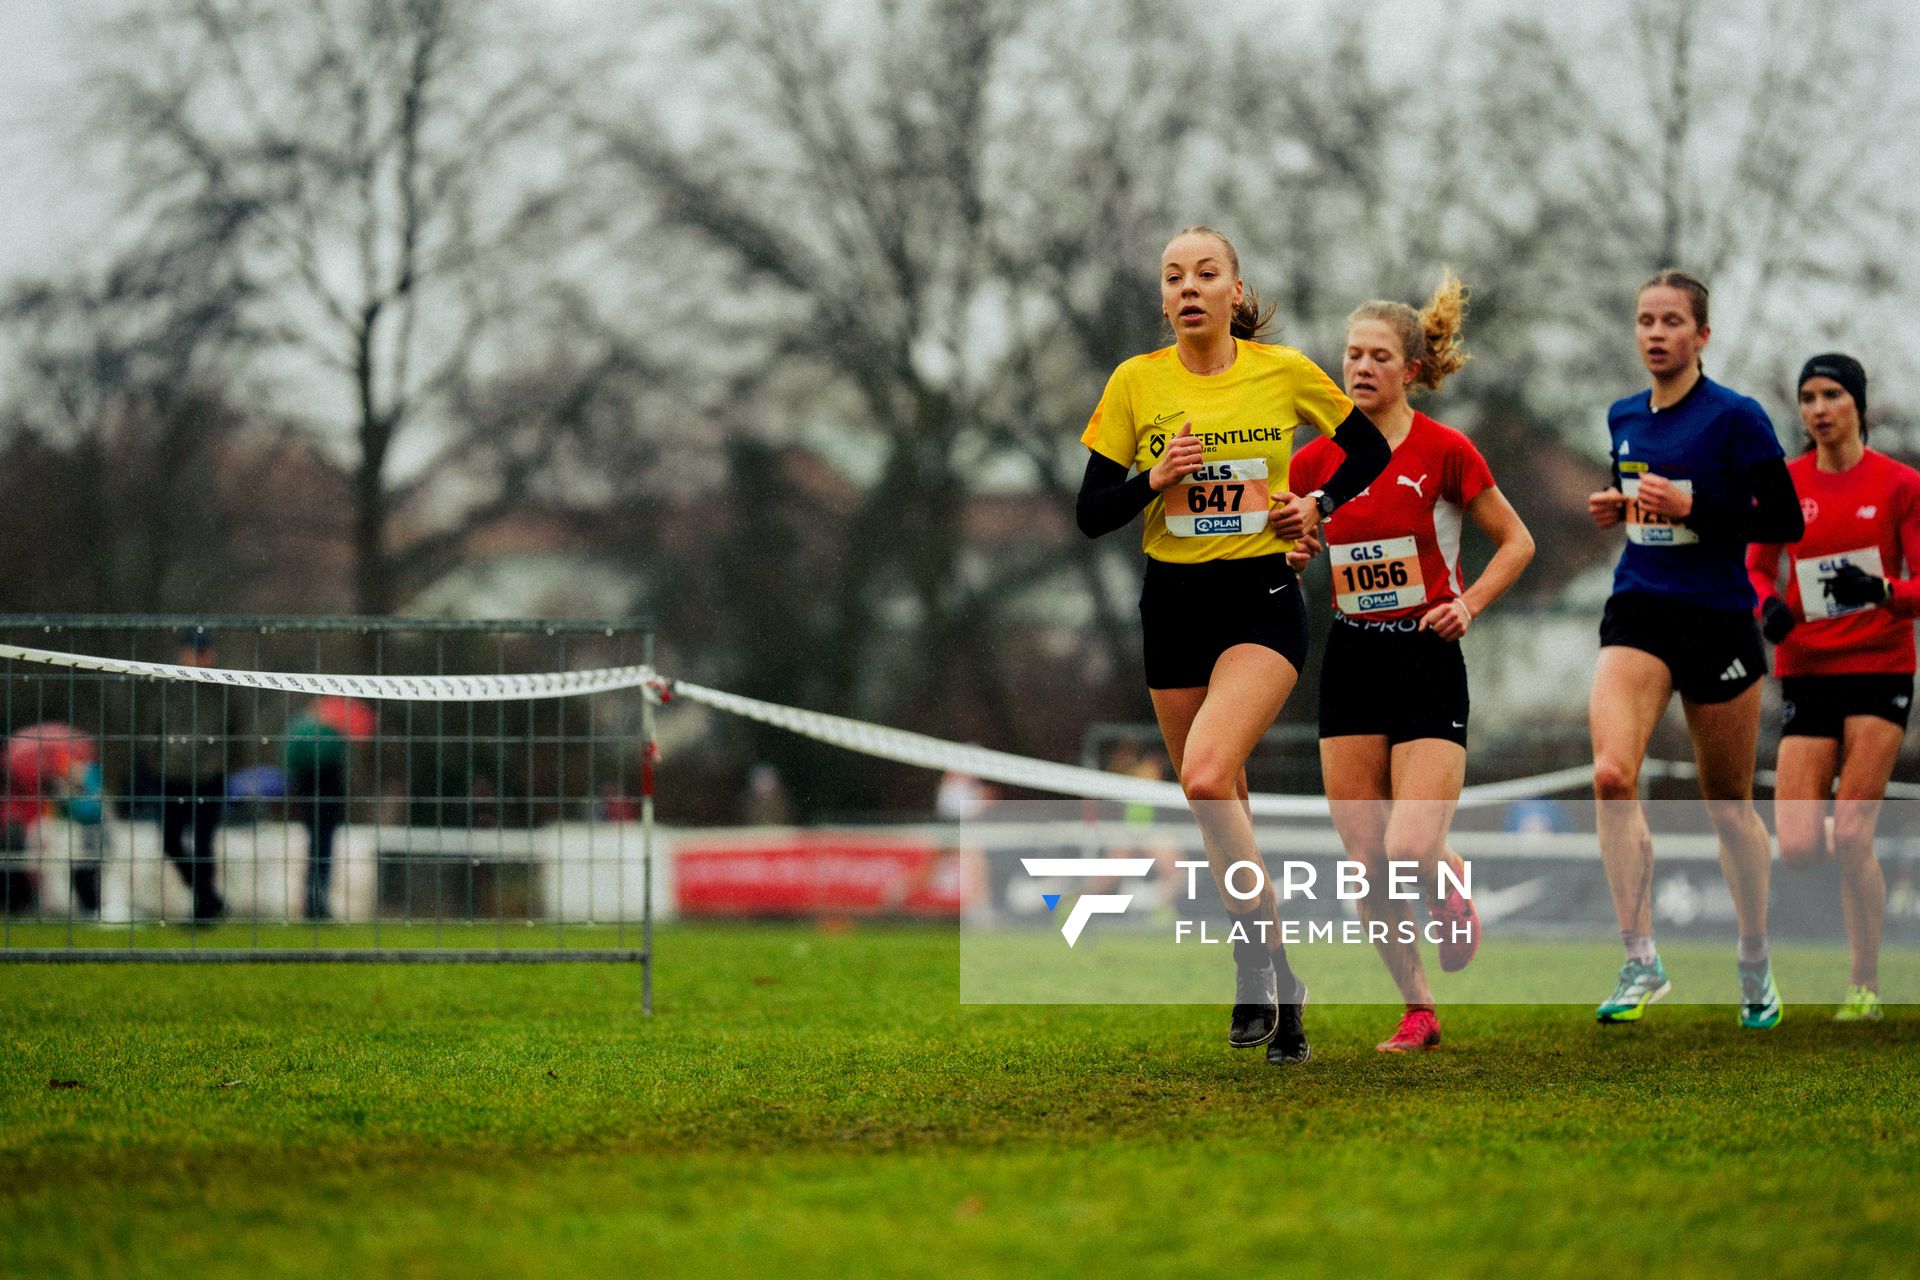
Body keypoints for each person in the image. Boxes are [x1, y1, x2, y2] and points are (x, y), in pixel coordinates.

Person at [1077, 225, 1391, 1066]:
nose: (1188, 288)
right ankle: (1273, 972)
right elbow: (1091, 509)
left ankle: (1264, 965)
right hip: (1171, 607)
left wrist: (1315, 506)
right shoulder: (1136, 382)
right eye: (1173, 276)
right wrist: (1154, 478)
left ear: (1233, 291)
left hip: (1260, 603)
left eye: (1205, 273)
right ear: (1164, 297)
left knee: (1206, 773)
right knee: (1221, 809)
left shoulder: (1282, 373)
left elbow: (1369, 448)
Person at [1287, 272, 1535, 1052]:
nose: (1358, 368)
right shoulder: (1314, 462)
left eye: (1377, 356)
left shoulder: (1446, 451)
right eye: (1351, 355)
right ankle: (1418, 1008)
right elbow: (1296, 552)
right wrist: (1294, 553)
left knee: (1407, 848)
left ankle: (1451, 887)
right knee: (1367, 860)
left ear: (1412, 370)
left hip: (1428, 657)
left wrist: (1469, 604)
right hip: (1353, 659)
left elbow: (1519, 542)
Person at [1585, 270, 1803, 1027]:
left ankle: (1753, 959)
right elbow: (1647, 499)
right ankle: (1640, 956)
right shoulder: (1621, 416)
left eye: (1671, 321)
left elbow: (1783, 519)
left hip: (1719, 620)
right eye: (1644, 319)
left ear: (1701, 336)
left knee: (1729, 805)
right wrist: (1623, 507)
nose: (1654, 333)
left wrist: (1694, 505)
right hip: (1640, 607)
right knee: (1612, 775)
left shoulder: (1736, 418)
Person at [1747, 354, 1920, 1023]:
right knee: (1797, 848)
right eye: (1808, 397)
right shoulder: (1784, 484)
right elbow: (1757, 569)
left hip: (1879, 671)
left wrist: (1879, 591)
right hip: (1807, 671)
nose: (1818, 409)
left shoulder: (1901, 485)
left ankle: (1865, 985)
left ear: (1858, 404)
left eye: (1832, 395)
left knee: (1852, 834)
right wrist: (1768, 609)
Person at [141, 630, 230, 922]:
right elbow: (151, 727)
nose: (198, 658)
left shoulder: (223, 686)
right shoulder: (166, 685)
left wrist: (221, 765)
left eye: (203, 652)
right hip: (171, 775)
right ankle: (208, 896)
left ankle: (204, 905)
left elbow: (236, 729)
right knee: (170, 840)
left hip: (209, 776)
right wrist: (156, 762)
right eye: (194, 651)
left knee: (204, 843)